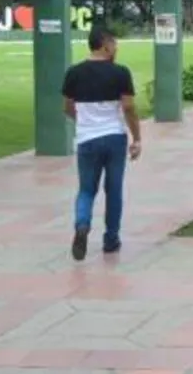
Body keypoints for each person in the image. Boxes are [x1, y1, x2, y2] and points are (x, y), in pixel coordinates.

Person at [62, 26, 141, 261]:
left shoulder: (74, 73)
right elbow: (128, 107)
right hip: (115, 138)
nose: (116, 48)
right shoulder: (120, 73)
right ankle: (111, 239)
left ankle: (82, 224)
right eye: (114, 43)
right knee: (113, 190)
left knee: (86, 190)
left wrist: (85, 122)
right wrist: (137, 138)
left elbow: (67, 107)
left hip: (87, 139)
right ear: (105, 44)